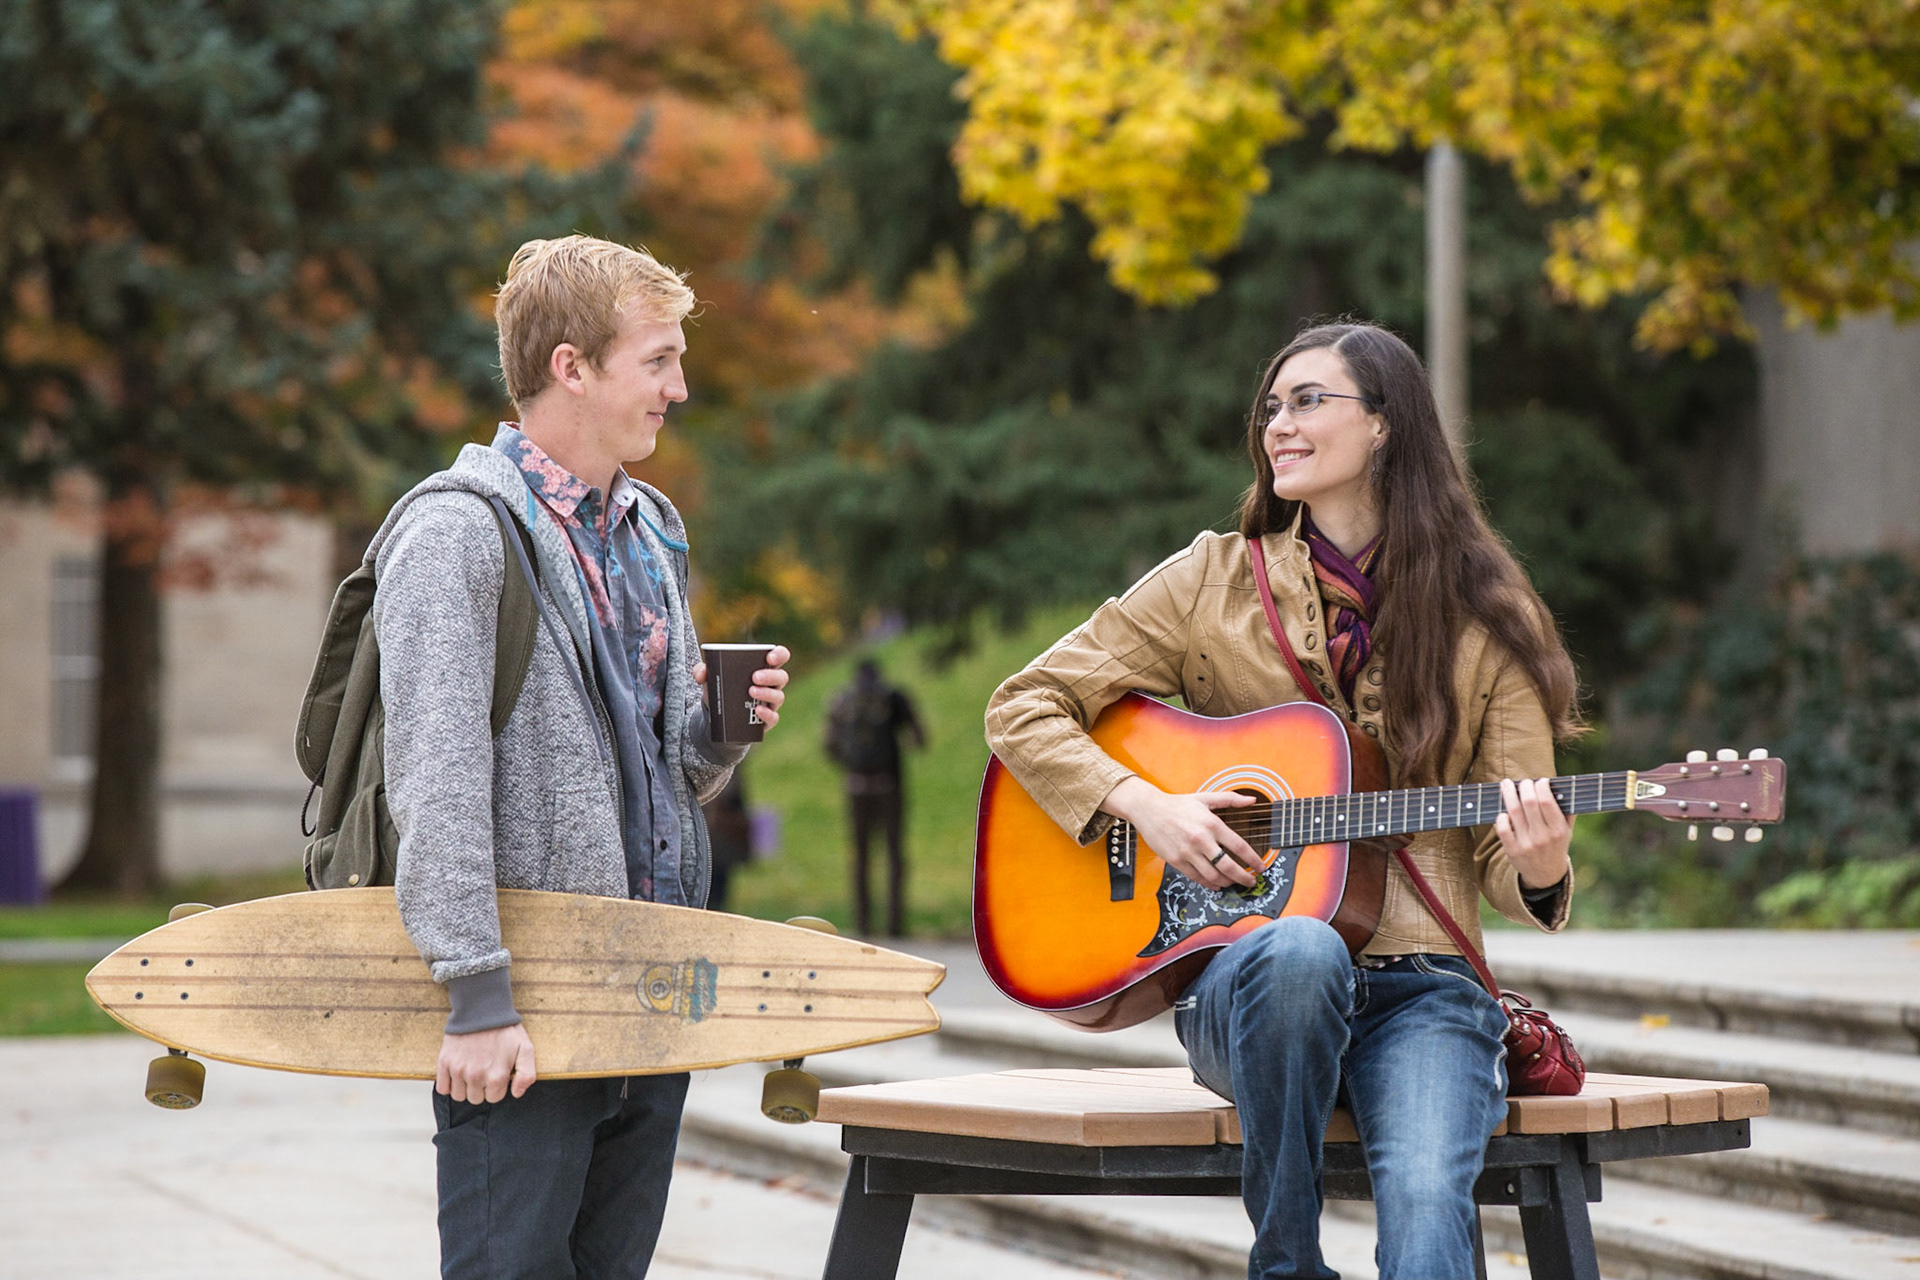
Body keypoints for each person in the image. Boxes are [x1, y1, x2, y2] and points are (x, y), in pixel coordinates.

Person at [983, 321, 1580, 1280]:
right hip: (1245, 986)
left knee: (1430, 1218)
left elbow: (1510, 872)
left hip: (1423, 991)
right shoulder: (1210, 580)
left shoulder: (1487, 622)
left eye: (1310, 402)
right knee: (1298, 946)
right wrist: (1148, 805)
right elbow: (1024, 707)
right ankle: (1288, 1266)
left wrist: (1541, 865)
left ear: (1385, 426)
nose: (1279, 427)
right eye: (1272, 406)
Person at [368, 235, 791, 1279]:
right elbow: (437, 777)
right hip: (520, 1011)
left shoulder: (649, 527)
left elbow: (667, 779)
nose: (678, 387)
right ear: (571, 366)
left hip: (645, 992)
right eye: (656, 360)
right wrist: (475, 993)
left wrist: (721, 732)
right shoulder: (454, 537)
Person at [824, 658, 925, 936]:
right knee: (894, 855)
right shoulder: (893, 698)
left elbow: (829, 745)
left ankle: (863, 924)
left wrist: (847, 761)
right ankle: (895, 924)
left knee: (861, 858)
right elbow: (919, 738)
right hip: (889, 785)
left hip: (856, 786)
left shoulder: (842, 701)